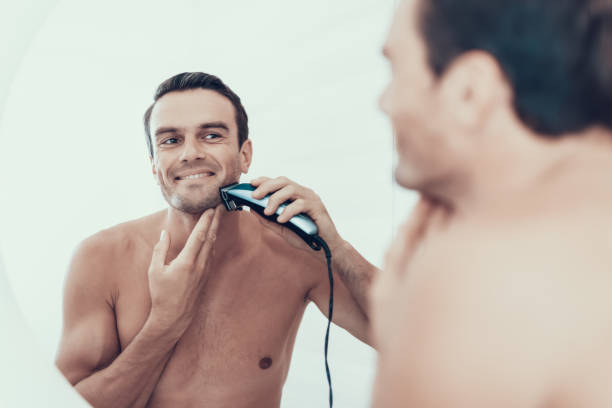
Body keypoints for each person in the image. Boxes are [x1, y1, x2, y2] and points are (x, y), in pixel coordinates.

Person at [55, 72, 376, 408]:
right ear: (154, 165)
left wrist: (337, 248)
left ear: (245, 155)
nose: (190, 153)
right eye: (170, 140)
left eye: (211, 135)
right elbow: (59, 402)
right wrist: (164, 325)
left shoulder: (294, 253)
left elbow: (414, 339)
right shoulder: (101, 259)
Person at [371, 0, 612, 406]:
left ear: (470, 91)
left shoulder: (485, 273)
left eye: (395, 70)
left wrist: (403, 345)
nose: (384, 102)